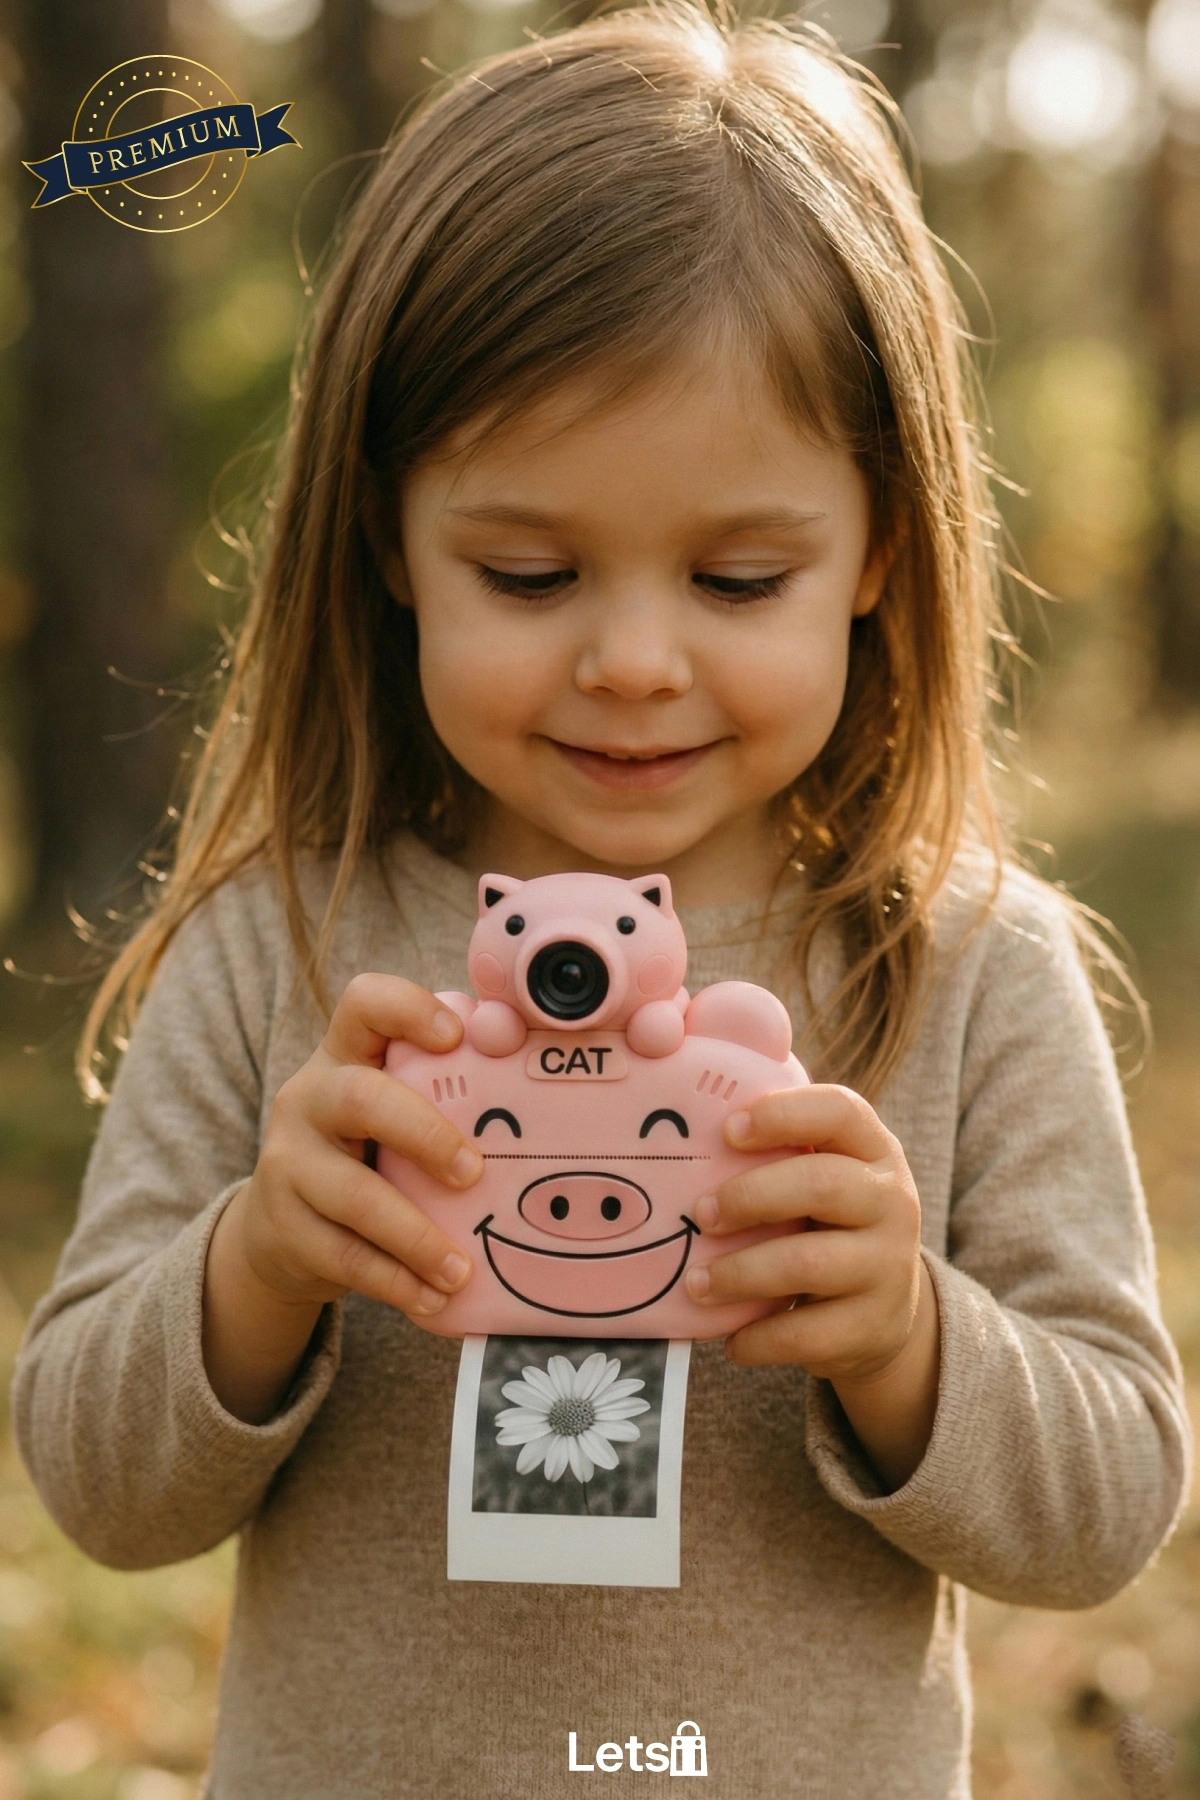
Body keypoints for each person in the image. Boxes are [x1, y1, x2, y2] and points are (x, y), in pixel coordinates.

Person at [11, 7, 1190, 1797]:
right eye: (530, 569)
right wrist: (258, 1264)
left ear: (877, 544)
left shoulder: (963, 969)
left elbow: (1110, 1503)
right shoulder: (287, 951)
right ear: (390, 541)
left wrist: (911, 1336)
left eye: (737, 575)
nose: (633, 661)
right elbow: (93, 1481)